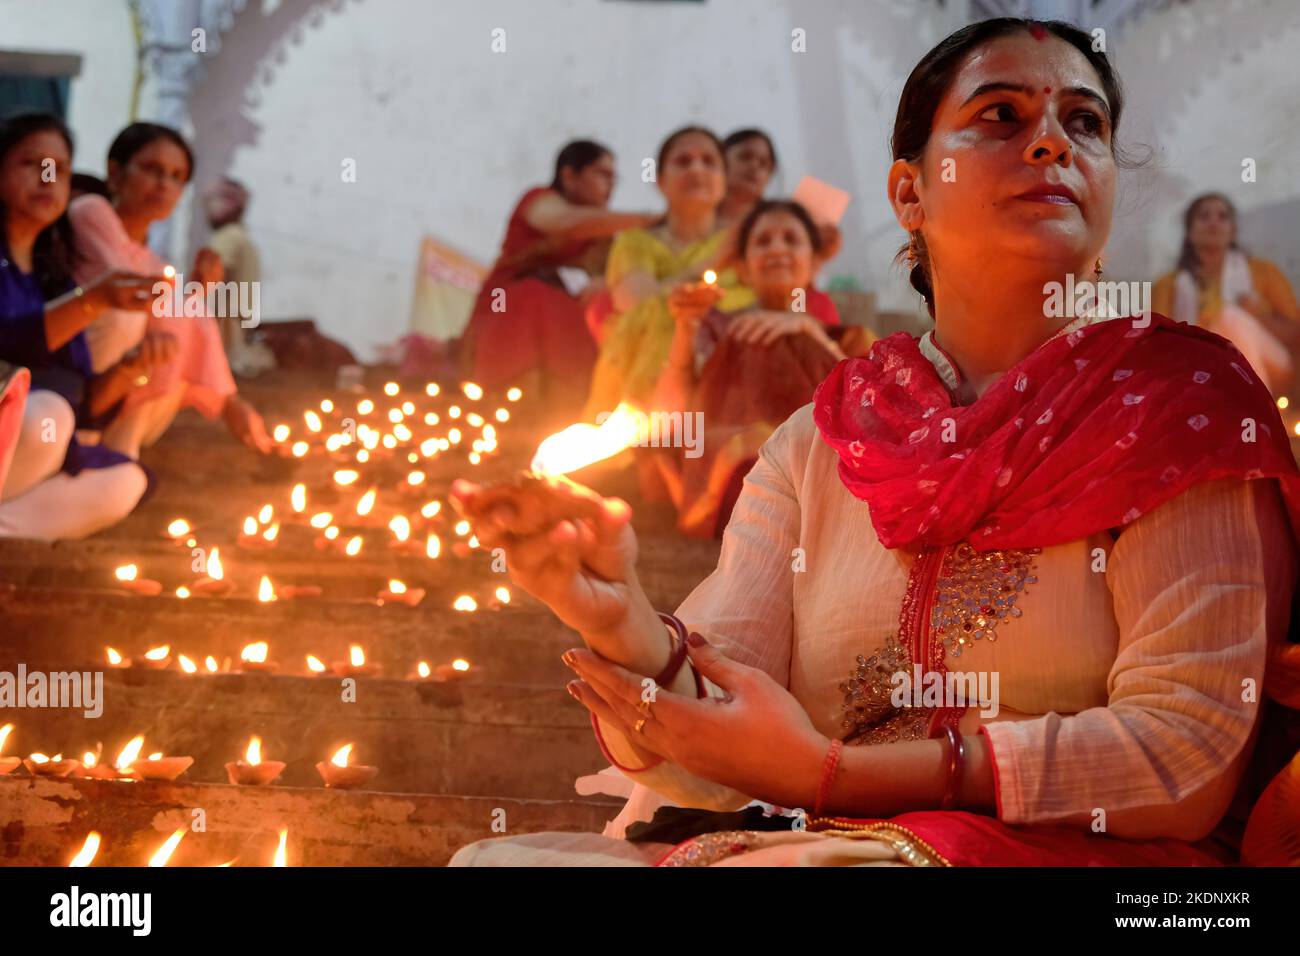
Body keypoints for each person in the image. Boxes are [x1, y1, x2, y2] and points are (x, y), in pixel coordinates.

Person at [448, 17, 1299, 867]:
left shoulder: (1176, 405)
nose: (1051, 142)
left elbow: (1182, 761)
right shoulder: (823, 437)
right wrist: (622, 621)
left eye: (1085, 123)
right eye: (1001, 116)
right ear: (909, 194)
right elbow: (715, 737)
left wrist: (837, 776)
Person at [68, 122, 270, 457]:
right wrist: (193, 297)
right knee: (133, 325)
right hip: (69, 375)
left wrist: (197, 296)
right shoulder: (91, 213)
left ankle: (118, 452)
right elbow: (127, 289)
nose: (165, 184)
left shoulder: (156, 265)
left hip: (117, 383)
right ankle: (88, 438)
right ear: (115, 172)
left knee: (167, 347)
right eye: (152, 169)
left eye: (177, 177)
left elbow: (174, 315)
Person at [0, 113, 158, 539]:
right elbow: (10, 341)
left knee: (126, 481)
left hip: (31, 457)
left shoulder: (56, 278)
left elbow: (85, 406)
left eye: (61, 170)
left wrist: (127, 371)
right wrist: (95, 300)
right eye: (33, 164)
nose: (49, 179)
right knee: (43, 415)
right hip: (21, 433)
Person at [653, 199, 844, 537]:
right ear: (742, 268)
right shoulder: (722, 329)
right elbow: (670, 417)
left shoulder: (846, 337)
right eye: (763, 241)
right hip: (734, 472)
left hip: (819, 464)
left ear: (814, 263)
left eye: (790, 239)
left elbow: (873, 409)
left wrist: (808, 333)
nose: (777, 249)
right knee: (748, 339)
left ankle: (799, 485)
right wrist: (685, 329)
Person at [460, 140, 656, 416]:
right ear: (569, 175)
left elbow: (615, 276)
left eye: (615, 178)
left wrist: (608, 282)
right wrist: (648, 219)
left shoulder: (606, 237)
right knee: (534, 297)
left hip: (565, 319)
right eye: (602, 174)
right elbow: (566, 222)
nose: (610, 185)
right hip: (505, 305)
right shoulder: (539, 200)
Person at [584, 127, 753, 421]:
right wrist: (710, 265)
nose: (696, 168)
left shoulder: (746, 240)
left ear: (724, 181)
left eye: (708, 161)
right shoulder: (634, 241)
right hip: (646, 373)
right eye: (683, 161)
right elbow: (636, 302)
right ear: (660, 180)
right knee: (670, 314)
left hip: (733, 371)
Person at [1152, 193, 1300, 394]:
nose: (1214, 222)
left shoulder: (1264, 272)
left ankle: (1256, 411)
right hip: (1199, 368)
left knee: (1230, 318)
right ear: (1190, 232)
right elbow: (1157, 346)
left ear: (1232, 231)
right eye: (1204, 216)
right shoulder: (1169, 286)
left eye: (1222, 216)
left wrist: (1257, 315)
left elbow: (1294, 335)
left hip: (1274, 365)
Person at [203, 176, 266, 376]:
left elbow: (206, 283)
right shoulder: (244, 240)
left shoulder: (227, 238)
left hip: (223, 335)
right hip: (237, 333)